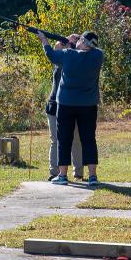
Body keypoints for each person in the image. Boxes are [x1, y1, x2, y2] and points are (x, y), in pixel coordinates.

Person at [37, 30, 103, 186]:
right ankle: (92, 176)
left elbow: (51, 55)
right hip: (88, 105)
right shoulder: (98, 56)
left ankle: (62, 175)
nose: (77, 40)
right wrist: (74, 44)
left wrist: (44, 39)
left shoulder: (68, 54)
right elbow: (82, 53)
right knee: (88, 140)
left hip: (66, 104)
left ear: (83, 42)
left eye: (80, 39)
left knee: (63, 140)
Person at [46, 35, 84, 181]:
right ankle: (55, 172)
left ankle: (78, 171)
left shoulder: (77, 60)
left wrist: (69, 47)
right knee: (55, 140)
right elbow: (54, 50)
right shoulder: (60, 58)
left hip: (70, 104)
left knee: (75, 139)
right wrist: (62, 43)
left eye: (73, 40)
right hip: (54, 104)